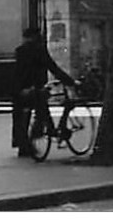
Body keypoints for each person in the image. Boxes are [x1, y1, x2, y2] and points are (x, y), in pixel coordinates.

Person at [11, 25, 77, 157]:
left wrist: (20, 89)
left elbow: (16, 73)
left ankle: (23, 143)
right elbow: (53, 68)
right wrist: (71, 82)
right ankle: (41, 130)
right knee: (41, 103)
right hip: (35, 89)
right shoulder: (39, 50)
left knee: (21, 115)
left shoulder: (19, 51)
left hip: (20, 91)